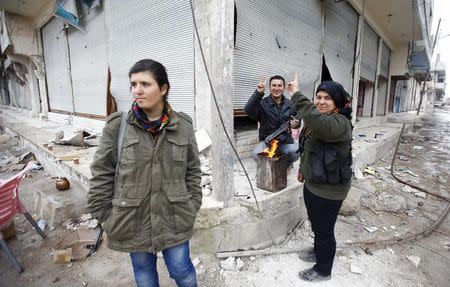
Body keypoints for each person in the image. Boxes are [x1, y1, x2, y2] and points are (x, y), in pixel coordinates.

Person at [87, 59, 202, 287]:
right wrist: (105, 216)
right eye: (133, 84)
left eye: (145, 84)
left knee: (182, 270)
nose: (137, 90)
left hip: (175, 215)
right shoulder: (117, 127)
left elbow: (193, 170)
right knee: (143, 272)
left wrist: (192, 204)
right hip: (131, 218)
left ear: (163, 88)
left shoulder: (183, 127)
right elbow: (102, 172)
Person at [287, 75, 353, 282]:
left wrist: (297, 94)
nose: (321, 101)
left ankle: (323, 270)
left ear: (337, 103)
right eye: (318, 97)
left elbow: (316, 119)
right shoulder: (318, 121)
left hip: (330, 190)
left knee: (324, 230)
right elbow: (308, 147)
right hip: (315, 183)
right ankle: (317, 251)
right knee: (317, 224)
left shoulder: (339, 123)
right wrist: (302, 170)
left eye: (327, 98)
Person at [244, 75, 300, 166]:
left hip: (285, 142)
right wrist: (258, 93)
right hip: (267, 143)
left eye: (279, 85)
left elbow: (298, 118)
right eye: (274, 85)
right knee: (256, 154)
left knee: (296, 151)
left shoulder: (290, 104)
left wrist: (296, 123)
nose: (276, 88)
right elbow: (248, 110)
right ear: (269, 87)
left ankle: (287, 165)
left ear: (284, 87)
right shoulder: (262, 103)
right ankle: (270, 167)